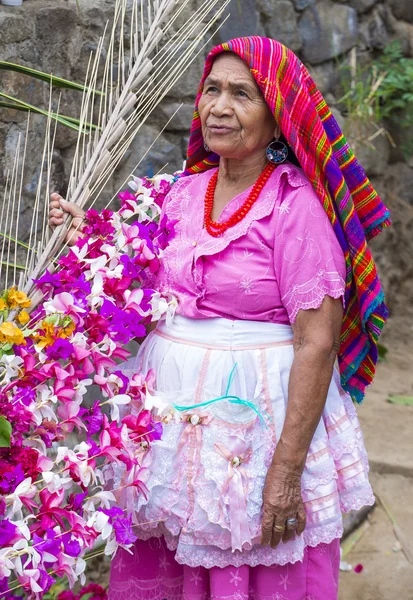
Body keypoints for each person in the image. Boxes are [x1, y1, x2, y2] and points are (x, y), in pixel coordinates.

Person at [49, 37, 390, 600]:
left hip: (257, 434)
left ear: (277, 116)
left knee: (252, 563)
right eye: (211, 90)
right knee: (167, 568)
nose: (218, 106)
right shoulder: (184, 194)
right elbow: (144, 264)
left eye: (241, 94)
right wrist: (90, 231)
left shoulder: (294, 207)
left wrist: (284, 473)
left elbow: (317, 342)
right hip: (170, 436)